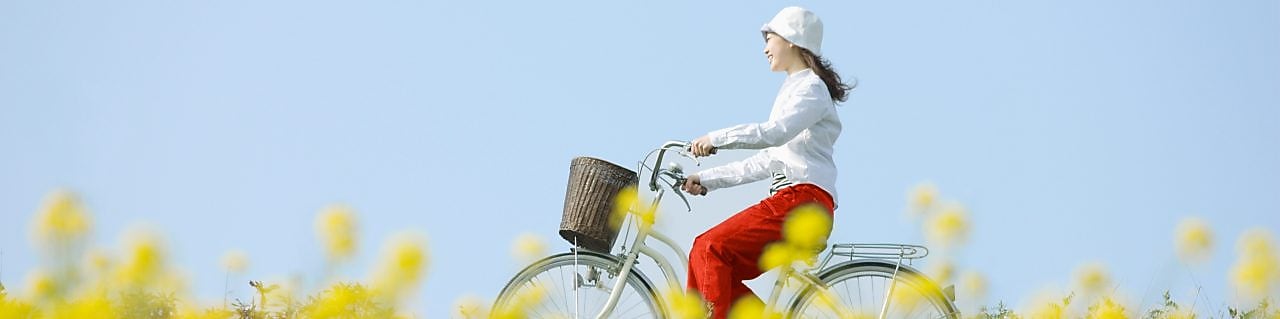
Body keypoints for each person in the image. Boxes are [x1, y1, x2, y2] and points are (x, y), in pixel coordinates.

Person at [680, 6, 853, 318]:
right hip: (793, 201)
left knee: (710, 248)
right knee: (704, 258)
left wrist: (716, 138)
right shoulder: (793, 89)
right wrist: (707, 179)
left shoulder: (811, 89)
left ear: (791, 40)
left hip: (802, 201)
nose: (764, 48)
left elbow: (774, 134)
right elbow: (766, 161)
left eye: (769, 38)